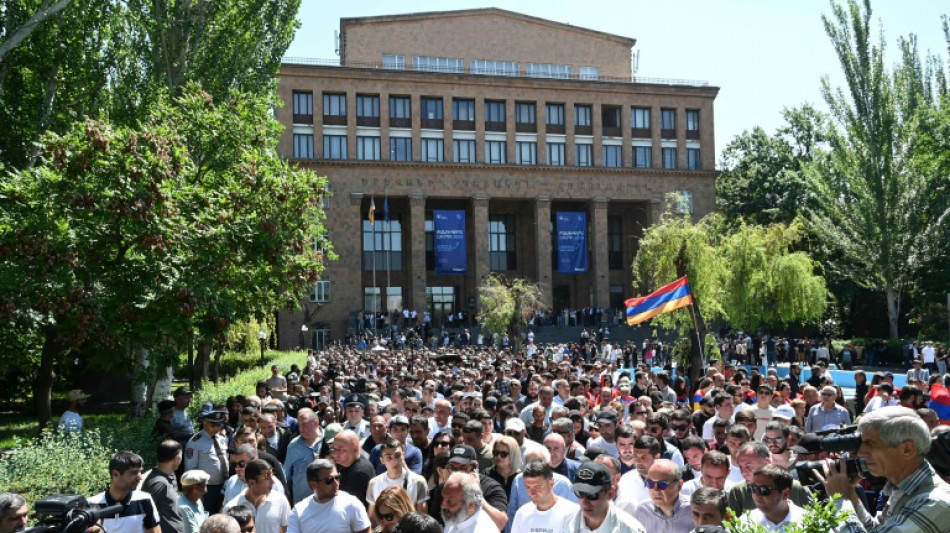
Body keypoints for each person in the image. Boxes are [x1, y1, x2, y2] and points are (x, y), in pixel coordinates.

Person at [817, 406, 950, 533]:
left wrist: (840, 499)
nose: (861, 452)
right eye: (861, 443)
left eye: (870, 443)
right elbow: (877, 530)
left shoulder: (934, 502)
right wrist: (851, 494)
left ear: (907, 449)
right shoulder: (904, 488)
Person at [286, 459, 371, 533]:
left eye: (337, 477)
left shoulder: (351, 504)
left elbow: (365, 530)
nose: (336, 483)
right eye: (329, 480)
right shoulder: (298, 511)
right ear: (313, 484)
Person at [88, 451, 161, 533]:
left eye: (140, 471)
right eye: (134, 472)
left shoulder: (144, 500)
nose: (140, 477)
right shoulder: (92, 503)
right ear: (115, 474)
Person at [564, 461, 646, 533]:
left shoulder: (630, 529)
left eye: (592, 495)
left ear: (610, 493)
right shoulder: (565, 524)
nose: (585, 501)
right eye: (580, 493)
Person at [509, 460, 580, 533]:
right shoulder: (522, 514)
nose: (532, 492)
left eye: (537, 487)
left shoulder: (572, 512)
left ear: (551, 483)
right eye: (528, 487)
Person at [366, 438, 428, 517]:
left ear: (403, 455)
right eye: (389, 458)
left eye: (398, 456)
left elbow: (422, 517)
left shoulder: (418, 481)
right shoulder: (374, 483)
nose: (394, 461)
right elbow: (372, 516)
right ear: (382, 460)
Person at [223, 460, 290, 533]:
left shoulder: (280, 500)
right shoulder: (231, 507)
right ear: (252, 482)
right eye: (267, 479)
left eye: (272, 477)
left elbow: (288, 528)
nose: (273, 482)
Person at [185, 407, 230, 513]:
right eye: (213, 425)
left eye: (219, 424)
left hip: (224, 485)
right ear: (205, 423)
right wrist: (196, 492)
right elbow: (190, 469)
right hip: (206, 488)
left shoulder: (222, 438)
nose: (216, 428)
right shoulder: (195, 442)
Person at [633, 459, 692, 533]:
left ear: (679, 486)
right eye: (650, 483)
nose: (655, 489)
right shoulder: (643, 510)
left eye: (662, 484)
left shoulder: (695, 510)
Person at [740, 464, 803, 533]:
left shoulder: (807, 521)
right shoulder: (745, 522)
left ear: (785, 494)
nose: (757, 494)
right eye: (753, 488)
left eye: (764, 489)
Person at [142, 440, 185, 533]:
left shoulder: (164, 478)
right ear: (177, 457)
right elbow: (144, 512)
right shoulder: (159, 482)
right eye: (181, 455)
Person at [283, 409, 325, 505]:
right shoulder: (294, 446)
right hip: (302, 504)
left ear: (315, 422)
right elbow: (287, 476)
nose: (301, 428)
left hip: (326, 502)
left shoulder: (328, 440)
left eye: (304, 424)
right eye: (299, 424)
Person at [332, 430, 376, 510]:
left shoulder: (360, 473)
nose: (334, 453)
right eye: (334, 448)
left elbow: (347, 507)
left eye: (341, 450)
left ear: (355, 448)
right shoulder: (343, 463)